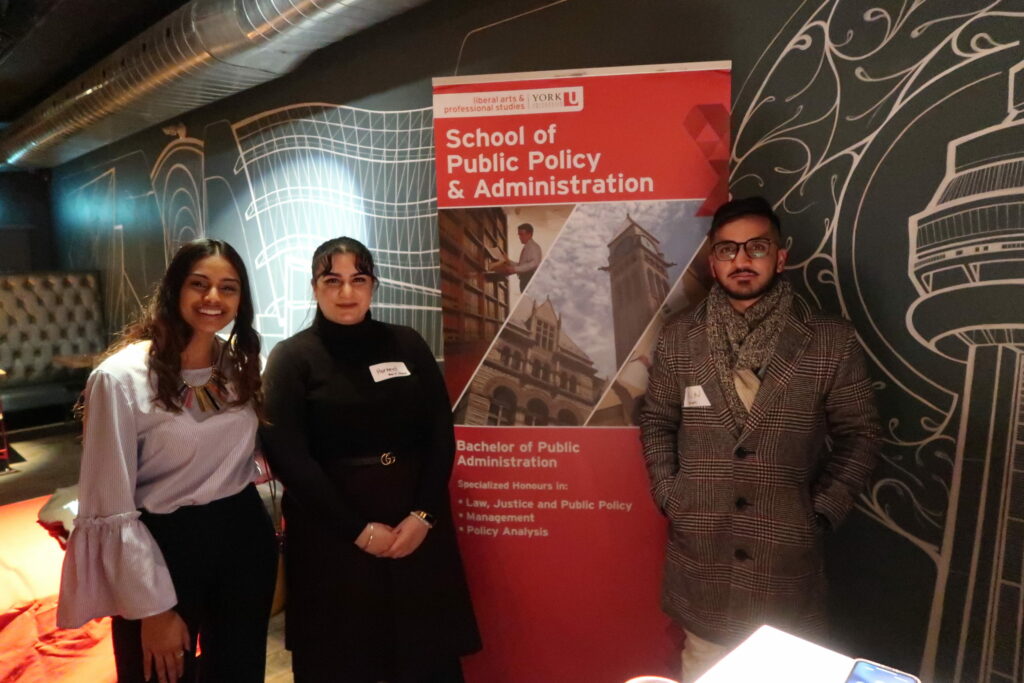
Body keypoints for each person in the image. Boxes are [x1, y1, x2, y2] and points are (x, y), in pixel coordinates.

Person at [639, 196, 881, 683]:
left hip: (786, 563)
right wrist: (671, 496)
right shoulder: (679, 337)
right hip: (701, 559)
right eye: (727, 250)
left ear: (780, 256)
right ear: (713, 261)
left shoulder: (830, 340)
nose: (742, 260)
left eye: (756, 247)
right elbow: (657, 420)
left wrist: (819, 512)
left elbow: (861, 434)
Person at [260, 236, 481, 683]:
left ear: (373, 285)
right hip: (332, 534)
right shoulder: (292, 358)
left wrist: (423, 515)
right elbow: (288, 455)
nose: (346, 293)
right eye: (332, 280)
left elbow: (440, 433)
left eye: (358, 279)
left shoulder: (407, 343)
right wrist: (356, 531)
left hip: (415, 528)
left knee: (425, 658)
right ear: (315, 286)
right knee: (343, 660)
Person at [57, 238, 277, 683]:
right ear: (175, 289)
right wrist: (150, 607)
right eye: (200, 284)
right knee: (156, 674)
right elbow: (108, 502)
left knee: (240, 671)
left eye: (228, 288)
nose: (213, 298)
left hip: (242, 536)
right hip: (162, 544)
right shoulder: (119, 379)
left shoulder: (243, 366)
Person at [501, 222, 542, 290]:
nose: (520, 237)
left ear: (529, 234)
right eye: (519, 235)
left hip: (529, 280)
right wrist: (508, 261)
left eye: (522, 234)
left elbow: (534, 263)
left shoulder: (533, 247)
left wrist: (515, 269)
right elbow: (522, 265)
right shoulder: (527, 247)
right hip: (525, 280)